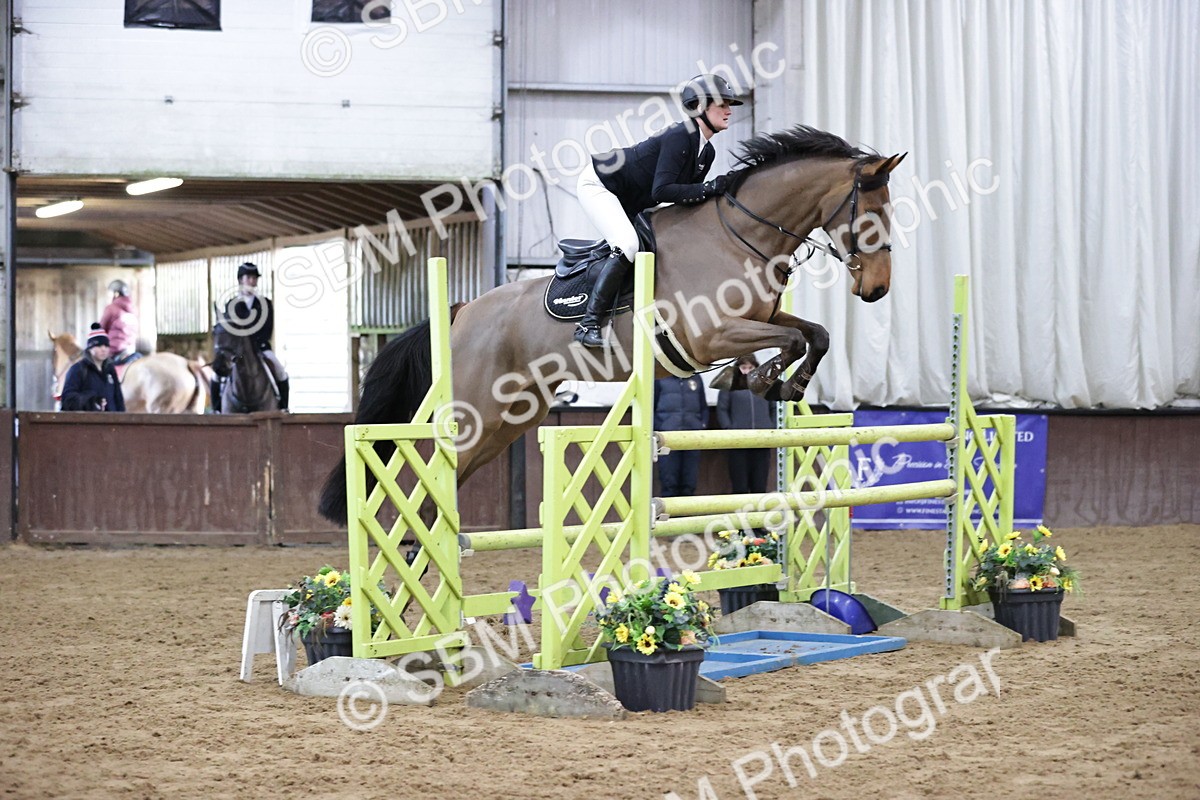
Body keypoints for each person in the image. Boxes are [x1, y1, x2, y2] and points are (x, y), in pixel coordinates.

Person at [573, 73, 743, 348]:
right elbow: (662, 191)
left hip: (630, 199)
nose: (729, 110)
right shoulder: (680, 136)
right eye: (722, 104)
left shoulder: (706, 152)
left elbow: (685, 200)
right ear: (701, 106)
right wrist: (710, 187)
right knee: (628, 245)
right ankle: (588, 324)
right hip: (600, 184)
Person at [214, 262, 289, 412]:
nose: (252, 281)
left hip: (260, 348)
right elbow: (229, 329)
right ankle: (216, 408)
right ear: (240, 280)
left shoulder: (265, 303)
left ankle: (283, 407)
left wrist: (254, 343)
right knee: (216, 376)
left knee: (280, 371)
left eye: (254, 278)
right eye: (248, 278)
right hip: (237, 351)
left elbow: (267, 328)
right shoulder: (231, 304)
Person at [716, 355, 776, 495]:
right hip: (738, 443)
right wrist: (729, 429)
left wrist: (770, 427)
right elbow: (722, 409)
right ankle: (741, 510)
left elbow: (773, 408)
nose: (747, 371)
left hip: (762, 442)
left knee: (759, 486)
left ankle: (758, 510)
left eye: (751, 367)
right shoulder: (729, 385)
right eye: (744, 368)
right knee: (740, 487)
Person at [653, 375, 709, 496]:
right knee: (669, 482)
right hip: (667, 439)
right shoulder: (660, 378)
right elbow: (651, 407)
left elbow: (703, 407)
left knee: (690, 482)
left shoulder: (696, 378)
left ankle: (687, 508)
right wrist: (660, 427)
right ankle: (670, 509)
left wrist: (701, 425)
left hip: (692, 438)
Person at [61, 323, 125, 412]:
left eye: (106, 345)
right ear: (90, 348)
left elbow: (118, 399)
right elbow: (67, 400)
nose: (103, 349)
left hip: (111, 420)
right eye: (99, 346)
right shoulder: (78, 369)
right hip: (87, 420)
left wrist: (121, 418)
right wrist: (92, 401)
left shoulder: (110, 370)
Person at [99, 279, 140, 365]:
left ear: (116, 294)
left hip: (115, 349)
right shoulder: (133, 310)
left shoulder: (111, 308)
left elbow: (101, 329)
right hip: (130, 349)